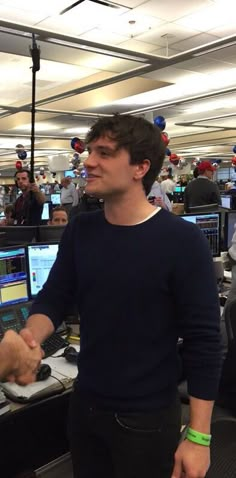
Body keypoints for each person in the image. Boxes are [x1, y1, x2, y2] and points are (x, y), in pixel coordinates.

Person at [18, 114, 221, 478]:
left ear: (140, 167)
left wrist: (199, 436)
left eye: (105, 153)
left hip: (146, 417)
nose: (89, 161)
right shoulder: (82, 229)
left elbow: (204, 343)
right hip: (86, 407)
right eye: (91, 151)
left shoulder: (181, 241)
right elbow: (55, 296)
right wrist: (29, 339)